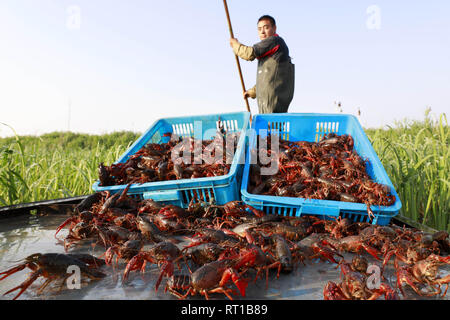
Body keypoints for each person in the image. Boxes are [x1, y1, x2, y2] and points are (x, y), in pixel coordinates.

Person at [230, 15, 295, 114]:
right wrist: (251, 92)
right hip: (268, 106)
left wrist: (235, 44)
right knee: (267, 128)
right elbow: (270, 78)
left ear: (274, 28)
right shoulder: (270, 51)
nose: (262, 32)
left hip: (273, 107)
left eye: (266, 27)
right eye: (259, 29)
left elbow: (249, 54)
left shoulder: (275, 41)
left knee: (270, 128)